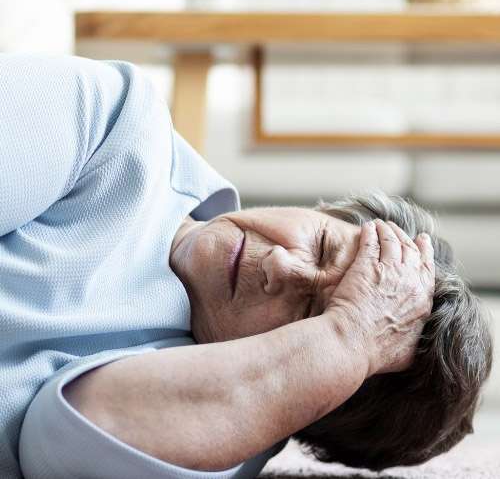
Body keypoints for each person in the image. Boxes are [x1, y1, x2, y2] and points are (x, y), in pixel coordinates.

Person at [0, 54, 491, 479]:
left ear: (306, 394)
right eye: (321, 245)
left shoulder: (229, 423)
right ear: (321, 210)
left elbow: (68, 444)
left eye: (308, 319)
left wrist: (352, 338)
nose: (281, 265)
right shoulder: (118, 125)